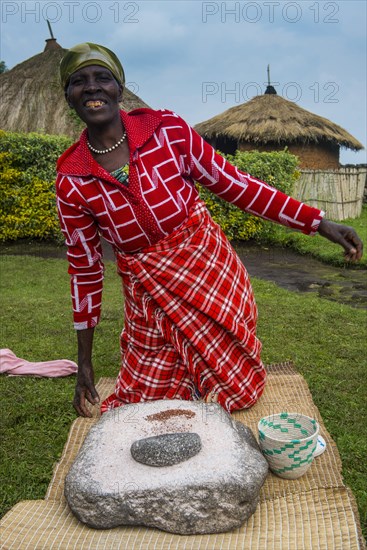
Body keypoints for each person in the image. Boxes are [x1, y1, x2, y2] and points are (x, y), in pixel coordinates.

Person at [56, 43, 363, 418]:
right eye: (78, 82)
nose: (91, 88)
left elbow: (239, 185)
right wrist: (83, 361)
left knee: (237, 393)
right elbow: (85, 270)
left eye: (102, 77)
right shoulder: (72, 178)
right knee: (144, 404)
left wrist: (318, 222)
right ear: (68, 96)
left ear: (119, 88)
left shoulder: (167, 132)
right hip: (149, 292)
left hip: (208, 269)